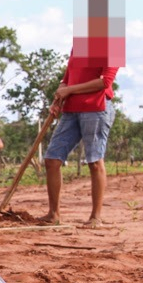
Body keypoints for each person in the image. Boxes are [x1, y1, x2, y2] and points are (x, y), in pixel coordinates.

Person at [40, 52, 119, 227]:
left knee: (94, 162)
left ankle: (95, 217)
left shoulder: (114, 42)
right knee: (52, 160)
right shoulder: (79, 43)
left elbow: (105, 82)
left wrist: (69, 90)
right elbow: (68, 75)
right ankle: (53, 214)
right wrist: (59, 97)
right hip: (70, 109)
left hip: (97, 108)